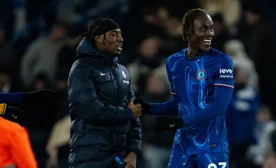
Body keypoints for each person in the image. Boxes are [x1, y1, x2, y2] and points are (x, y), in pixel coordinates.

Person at [135, 8, 235, 167]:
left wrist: (179, 122)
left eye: (210, 28)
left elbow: (218, 107)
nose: (209, 33)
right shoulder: (173, 62)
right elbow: (179, 103)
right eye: (203, 29)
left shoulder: (222, 61)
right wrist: (150, 108)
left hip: (212, 145)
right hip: (183, 146)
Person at [68, 18, 142, 168]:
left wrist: (133, 152)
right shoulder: (81, 68)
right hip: (89, 157)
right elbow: (89, 109)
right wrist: (126, 114)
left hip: (120, 158)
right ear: (99, 39)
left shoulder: (123, 71)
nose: (120, 39)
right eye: (114, 34)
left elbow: (135, 114)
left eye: (120, 35)